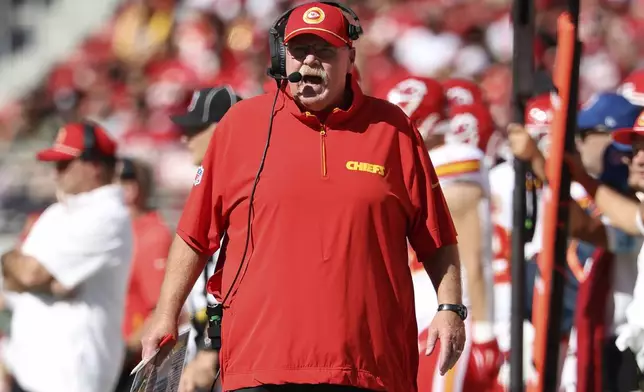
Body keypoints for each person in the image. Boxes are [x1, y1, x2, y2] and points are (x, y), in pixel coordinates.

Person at [142, 3, 466, 392]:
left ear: (350, 57)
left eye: (325, 51)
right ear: (282, 58)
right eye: (299, 51)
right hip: (261, 363)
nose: (309, 62)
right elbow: (193, 235)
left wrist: (449, 308)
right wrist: (165, 315)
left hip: (368, 365)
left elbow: (437, 237)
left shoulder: (394, 128)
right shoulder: (241, 126)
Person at [385, 76, 502, 391]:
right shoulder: (414, 161)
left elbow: (472, 255)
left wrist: (486, 332)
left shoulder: (453, 161)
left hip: (446, 312)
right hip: (415, 313)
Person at [0, 121, 133, 392]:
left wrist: (15, 265)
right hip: (27, 369)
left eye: (63, 164)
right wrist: (18, 266)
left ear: (94, 165)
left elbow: (29, 274)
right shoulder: (58, 212)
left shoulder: (107, 216)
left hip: (71, 377)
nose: (55, 173)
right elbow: (15, 282)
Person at [169, 85, 242, 392]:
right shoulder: (214, 184)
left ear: (223, 128)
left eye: (196, 128)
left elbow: (230, 282)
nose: (185, 138)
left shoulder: (241, 190)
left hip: (229, 362)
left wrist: (212, 350)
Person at [114, 157, 173, 392]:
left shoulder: (150, 237)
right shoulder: (122, 232)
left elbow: (160, 310)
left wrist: (122, 353)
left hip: (131, 366)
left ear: (130, 189)